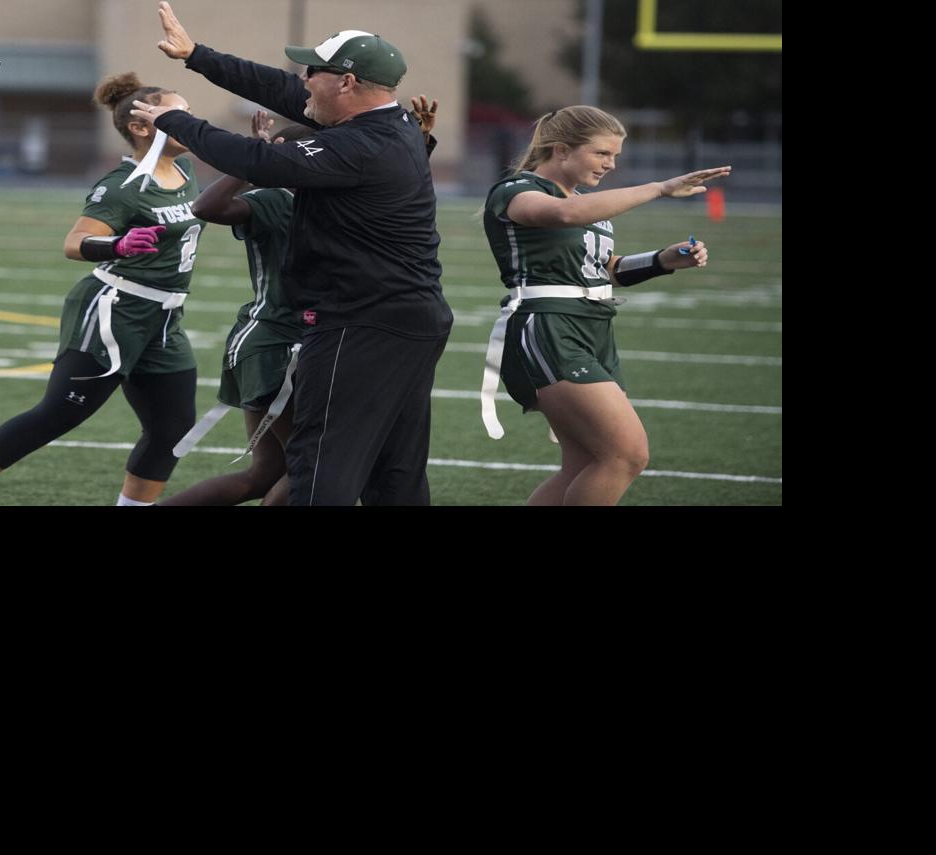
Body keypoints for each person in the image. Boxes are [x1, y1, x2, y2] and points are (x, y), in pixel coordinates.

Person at [135, 3, 451, 506]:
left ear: (347, 82)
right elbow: (280, 89)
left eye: (313, 71)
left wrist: (175, 120)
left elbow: (256, 160)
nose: (303, 80)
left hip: (361, 320)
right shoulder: (389, 124)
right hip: (404, 317)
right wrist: (197, 55)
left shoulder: (361, 144)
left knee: (322, 465)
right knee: (394, 472)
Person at [0, 72, 204, 507]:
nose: (191, 122)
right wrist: (117, 245)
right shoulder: (121, 186)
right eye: (179, 115)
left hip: (165, 316)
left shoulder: (184, 168)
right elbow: (74, 242)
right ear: (141, 127)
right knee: (61, 411)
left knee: (172, 427)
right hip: (115, 309)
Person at [479, 105, 730, 505]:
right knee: (626, 454)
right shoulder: (518, 190)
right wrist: (659, 188)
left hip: (593, 327)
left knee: (585, 464)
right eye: (601, 153)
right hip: (548, 326)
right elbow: (563, 214)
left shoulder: (583, 202)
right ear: (562, 150)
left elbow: (603, 270)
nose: (611, 164)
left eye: (615, 155)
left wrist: (662, 260)